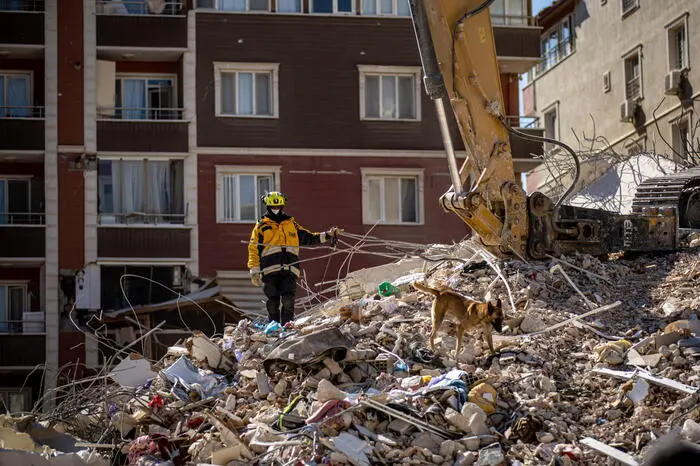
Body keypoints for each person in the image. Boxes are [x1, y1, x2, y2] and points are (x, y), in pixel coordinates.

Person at [247, 191, 342, 325]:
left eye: (278, 207)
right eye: (273, 207)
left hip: (290, 269)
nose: (276, 210)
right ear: (267, 207)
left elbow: (309, 237)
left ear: (282, 206)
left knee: (288, 299)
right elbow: (253, 248)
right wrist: (254, 270)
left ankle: (287, 326)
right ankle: (273, 326)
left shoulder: (291, 224)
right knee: (273, 301)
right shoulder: (261, 226)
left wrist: (328, 234)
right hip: (269, 270)